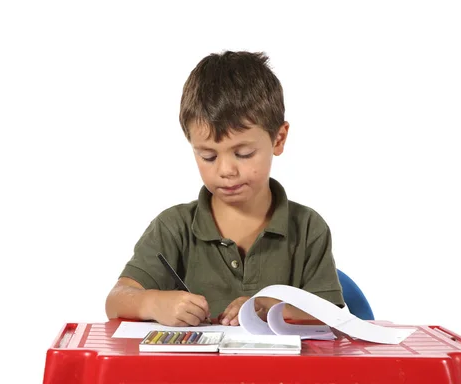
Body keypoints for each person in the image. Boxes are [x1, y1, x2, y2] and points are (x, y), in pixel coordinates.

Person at [105, 51, 344, 327]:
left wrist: (273, 309)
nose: (226, 170)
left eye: (243, 153)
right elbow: (116, 300)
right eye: (208, 156)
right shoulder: (173, 227)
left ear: (278, 139)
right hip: (192, 371)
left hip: (283, 370)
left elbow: (333, 316)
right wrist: (155, 302)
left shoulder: (308, 228)